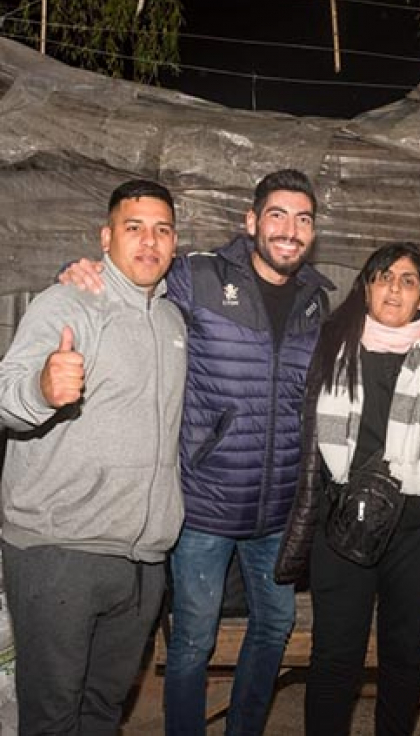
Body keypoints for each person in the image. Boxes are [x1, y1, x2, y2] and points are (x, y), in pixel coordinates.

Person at [59, 168, 334, 736]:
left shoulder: (317, 300)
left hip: (277, 511)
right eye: (277, 215)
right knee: (191, 640)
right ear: (251, 221)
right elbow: (132, 280)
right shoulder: (200, 276)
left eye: (303, 219)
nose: (290, 229)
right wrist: (78, 271)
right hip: (205, 507)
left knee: (274, 626)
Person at [0, 179, 186, 734]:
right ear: (106, 238)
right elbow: (6, 391)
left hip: (142, 561)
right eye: (134, 228)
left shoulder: (174, 321)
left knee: (103, 711)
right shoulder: (68, 302)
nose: (149, 242)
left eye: (162, 230)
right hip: (60, 550)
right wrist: (41, 389)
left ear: (176, 243)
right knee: (52, 717)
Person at [275, 241, 420, 736]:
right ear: (366, 287)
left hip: (416, 529)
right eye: (383, 277)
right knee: (336, 654)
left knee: (405, 656)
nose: (393, 288)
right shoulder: (329, 342)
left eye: (407, 280)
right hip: (341, 525)